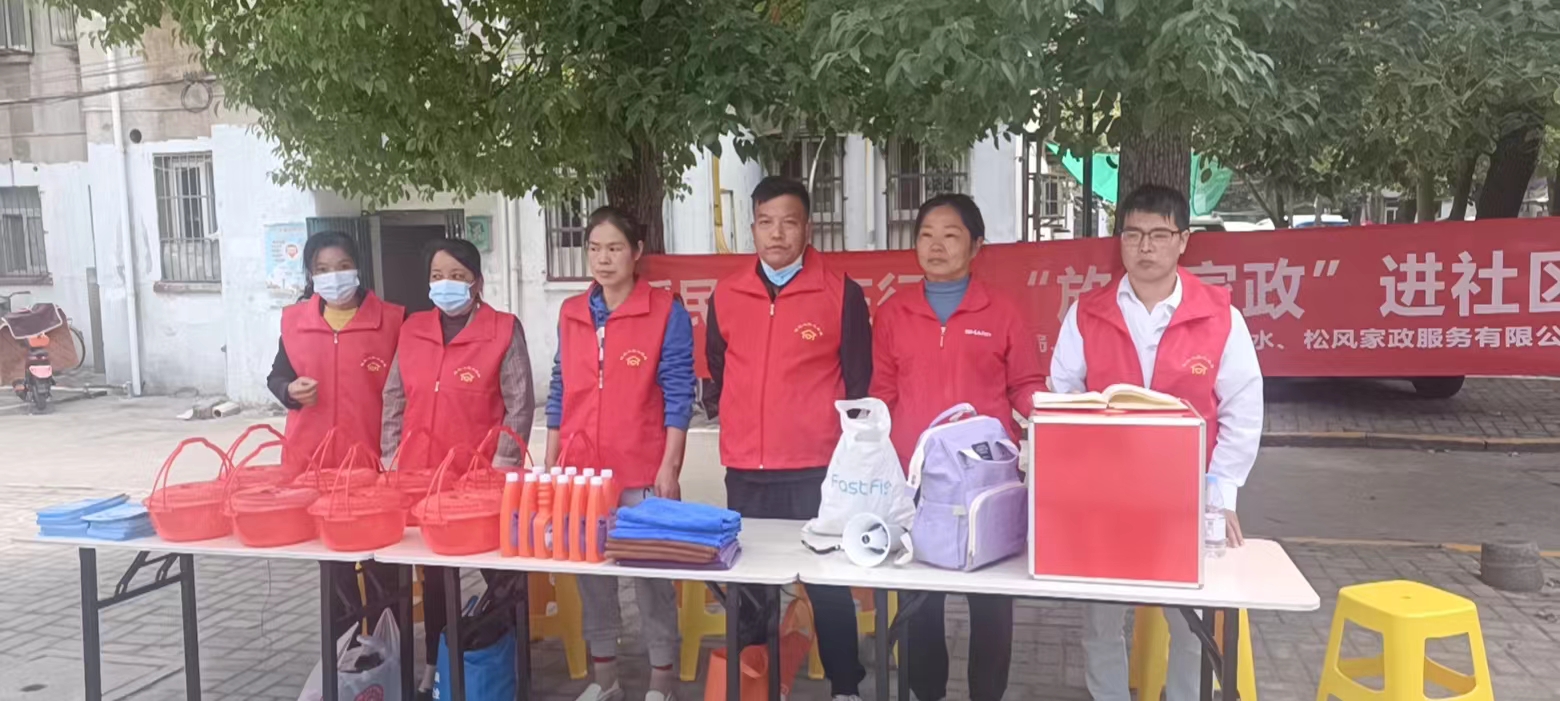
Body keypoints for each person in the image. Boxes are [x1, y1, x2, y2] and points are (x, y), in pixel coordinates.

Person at [1049, 184, 1263, 701]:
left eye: (1159, 235)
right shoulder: (1087, 313)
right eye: (1133, 234)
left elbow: (1242, 410)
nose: (1145, 247)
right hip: (1103, 499)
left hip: (1188, 499)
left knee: (1190, 626)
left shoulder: (1219, 317)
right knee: (1101, 621)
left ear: (1183, 240)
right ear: (1120, 240)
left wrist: (1220, 495)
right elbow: (1062, 397)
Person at [870, 194, 1045, 701]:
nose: (936, 246)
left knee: (991, 603)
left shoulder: (1002, 311)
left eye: (950, 235)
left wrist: (1053, 416)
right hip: (919, 482)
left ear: (976, 246)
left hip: (987, 482)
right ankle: (927, 693)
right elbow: (882, 393)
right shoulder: (894, 313)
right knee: (920, 603)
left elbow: (1025, 385)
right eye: (926, 235)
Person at [704, 176, 871, 701]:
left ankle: (845, 685)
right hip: (747, 469)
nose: (776, 234)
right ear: (752, 227)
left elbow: (859, 381)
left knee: (826, 583)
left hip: (815, 468)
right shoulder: (727, 294)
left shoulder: (841, 294)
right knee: (750, 588)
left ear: (808, 228)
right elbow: (717, 368)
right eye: (765, 222)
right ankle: (757, 685)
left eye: (788, 222)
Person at [544, 207, 696, 701]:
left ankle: (661, 681)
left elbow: (679, 393)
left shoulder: (664, 310)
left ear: (636, 252)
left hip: (642, 470)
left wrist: (669, 467)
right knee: (593, 578)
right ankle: (604, 678)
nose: (603, 259)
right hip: (581, 474)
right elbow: (560, 389)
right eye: (594, 248)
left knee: (651, 578)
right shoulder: (571, 312)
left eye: (614, 248)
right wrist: (551, 462)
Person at [380, 237, 536, 697]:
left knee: (501, 574)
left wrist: (500, 468)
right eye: (437, 276)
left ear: (477, 282)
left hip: (479, 478)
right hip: (421, 476)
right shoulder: (413, 329)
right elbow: (393, 396)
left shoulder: (503, 329)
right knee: (434, 574)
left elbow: (519, 403)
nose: (445, 284)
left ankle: (504, 657)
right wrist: (390, 458)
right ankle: (435, 662)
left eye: (456, 276)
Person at [266, 231, 405, 640]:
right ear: (311, 275)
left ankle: (389, 650)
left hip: (373, 462)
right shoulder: (295, 322)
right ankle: (344, 653)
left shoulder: (393, 320)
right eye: (323, 269)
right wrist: (289, 391)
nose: (334, 276)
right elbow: (277, 375)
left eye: (343, 266)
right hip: (312, 462)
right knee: (333, 566)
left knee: (382, 563)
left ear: (358, 268)